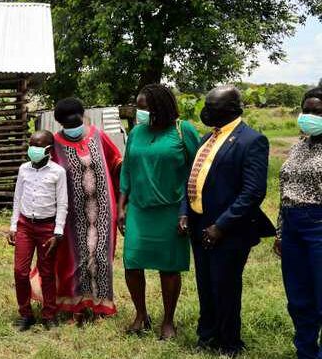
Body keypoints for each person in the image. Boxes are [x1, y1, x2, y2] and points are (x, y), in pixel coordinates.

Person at [179, 85, 275, 356]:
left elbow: (253, 191)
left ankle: (229, 342)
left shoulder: (251, 140)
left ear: (232, 109)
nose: (206, 111)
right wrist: (185, 211)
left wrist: (221, 225)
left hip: (229, 230)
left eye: (213, 107)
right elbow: (192, 178)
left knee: (226, 286)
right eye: (206, 105)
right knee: (206, 284)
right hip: (199, 224)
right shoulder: (207, 138)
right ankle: (207, 335)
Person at [118, 84, 201, 339]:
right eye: (138, 107)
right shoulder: (135, 133)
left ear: (160, 107)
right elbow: (128, 170)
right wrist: (121, 207)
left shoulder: (182, 130)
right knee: (132, 264)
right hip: (139, 211)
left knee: (169, 267)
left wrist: (186, 210)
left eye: (144, 108)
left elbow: (196, 171)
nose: (139, 112)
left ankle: (168, 321)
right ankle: (141, 316)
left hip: (172, 211)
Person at [34, 97, 122, 323]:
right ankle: (75, 307)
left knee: (101, 257)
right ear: (60, 124)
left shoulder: (98, 136)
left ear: (83, 117)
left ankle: (101, 306)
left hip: (103, 208)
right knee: (72, 260)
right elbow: (45, 175)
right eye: (68, 125)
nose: (74, 128)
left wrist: (125, 199)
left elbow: (117, 163)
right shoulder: (54, 143)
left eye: (77, 122)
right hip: (70, 214)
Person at [274, 87, 322, 359]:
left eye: (317, 111)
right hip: (293, 226)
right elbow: (284, 191)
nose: (309, 116)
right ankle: (305, 352)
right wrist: (281, 232)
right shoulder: (299, 146)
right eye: (306, 110)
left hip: (319, 225)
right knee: (299, 299)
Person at [8, 130, 68, 331]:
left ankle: (49, 314)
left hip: (47, 228)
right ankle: (25, 314)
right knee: (20, 271)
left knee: (47, 272)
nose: (32, 149)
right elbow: (17, 198)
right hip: (25, 225)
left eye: (37, 146)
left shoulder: (58, 172)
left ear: (48, 149)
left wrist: (57, 232)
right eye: (30, 145)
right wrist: (13, 225)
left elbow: (63, 204)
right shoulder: (23, 169)